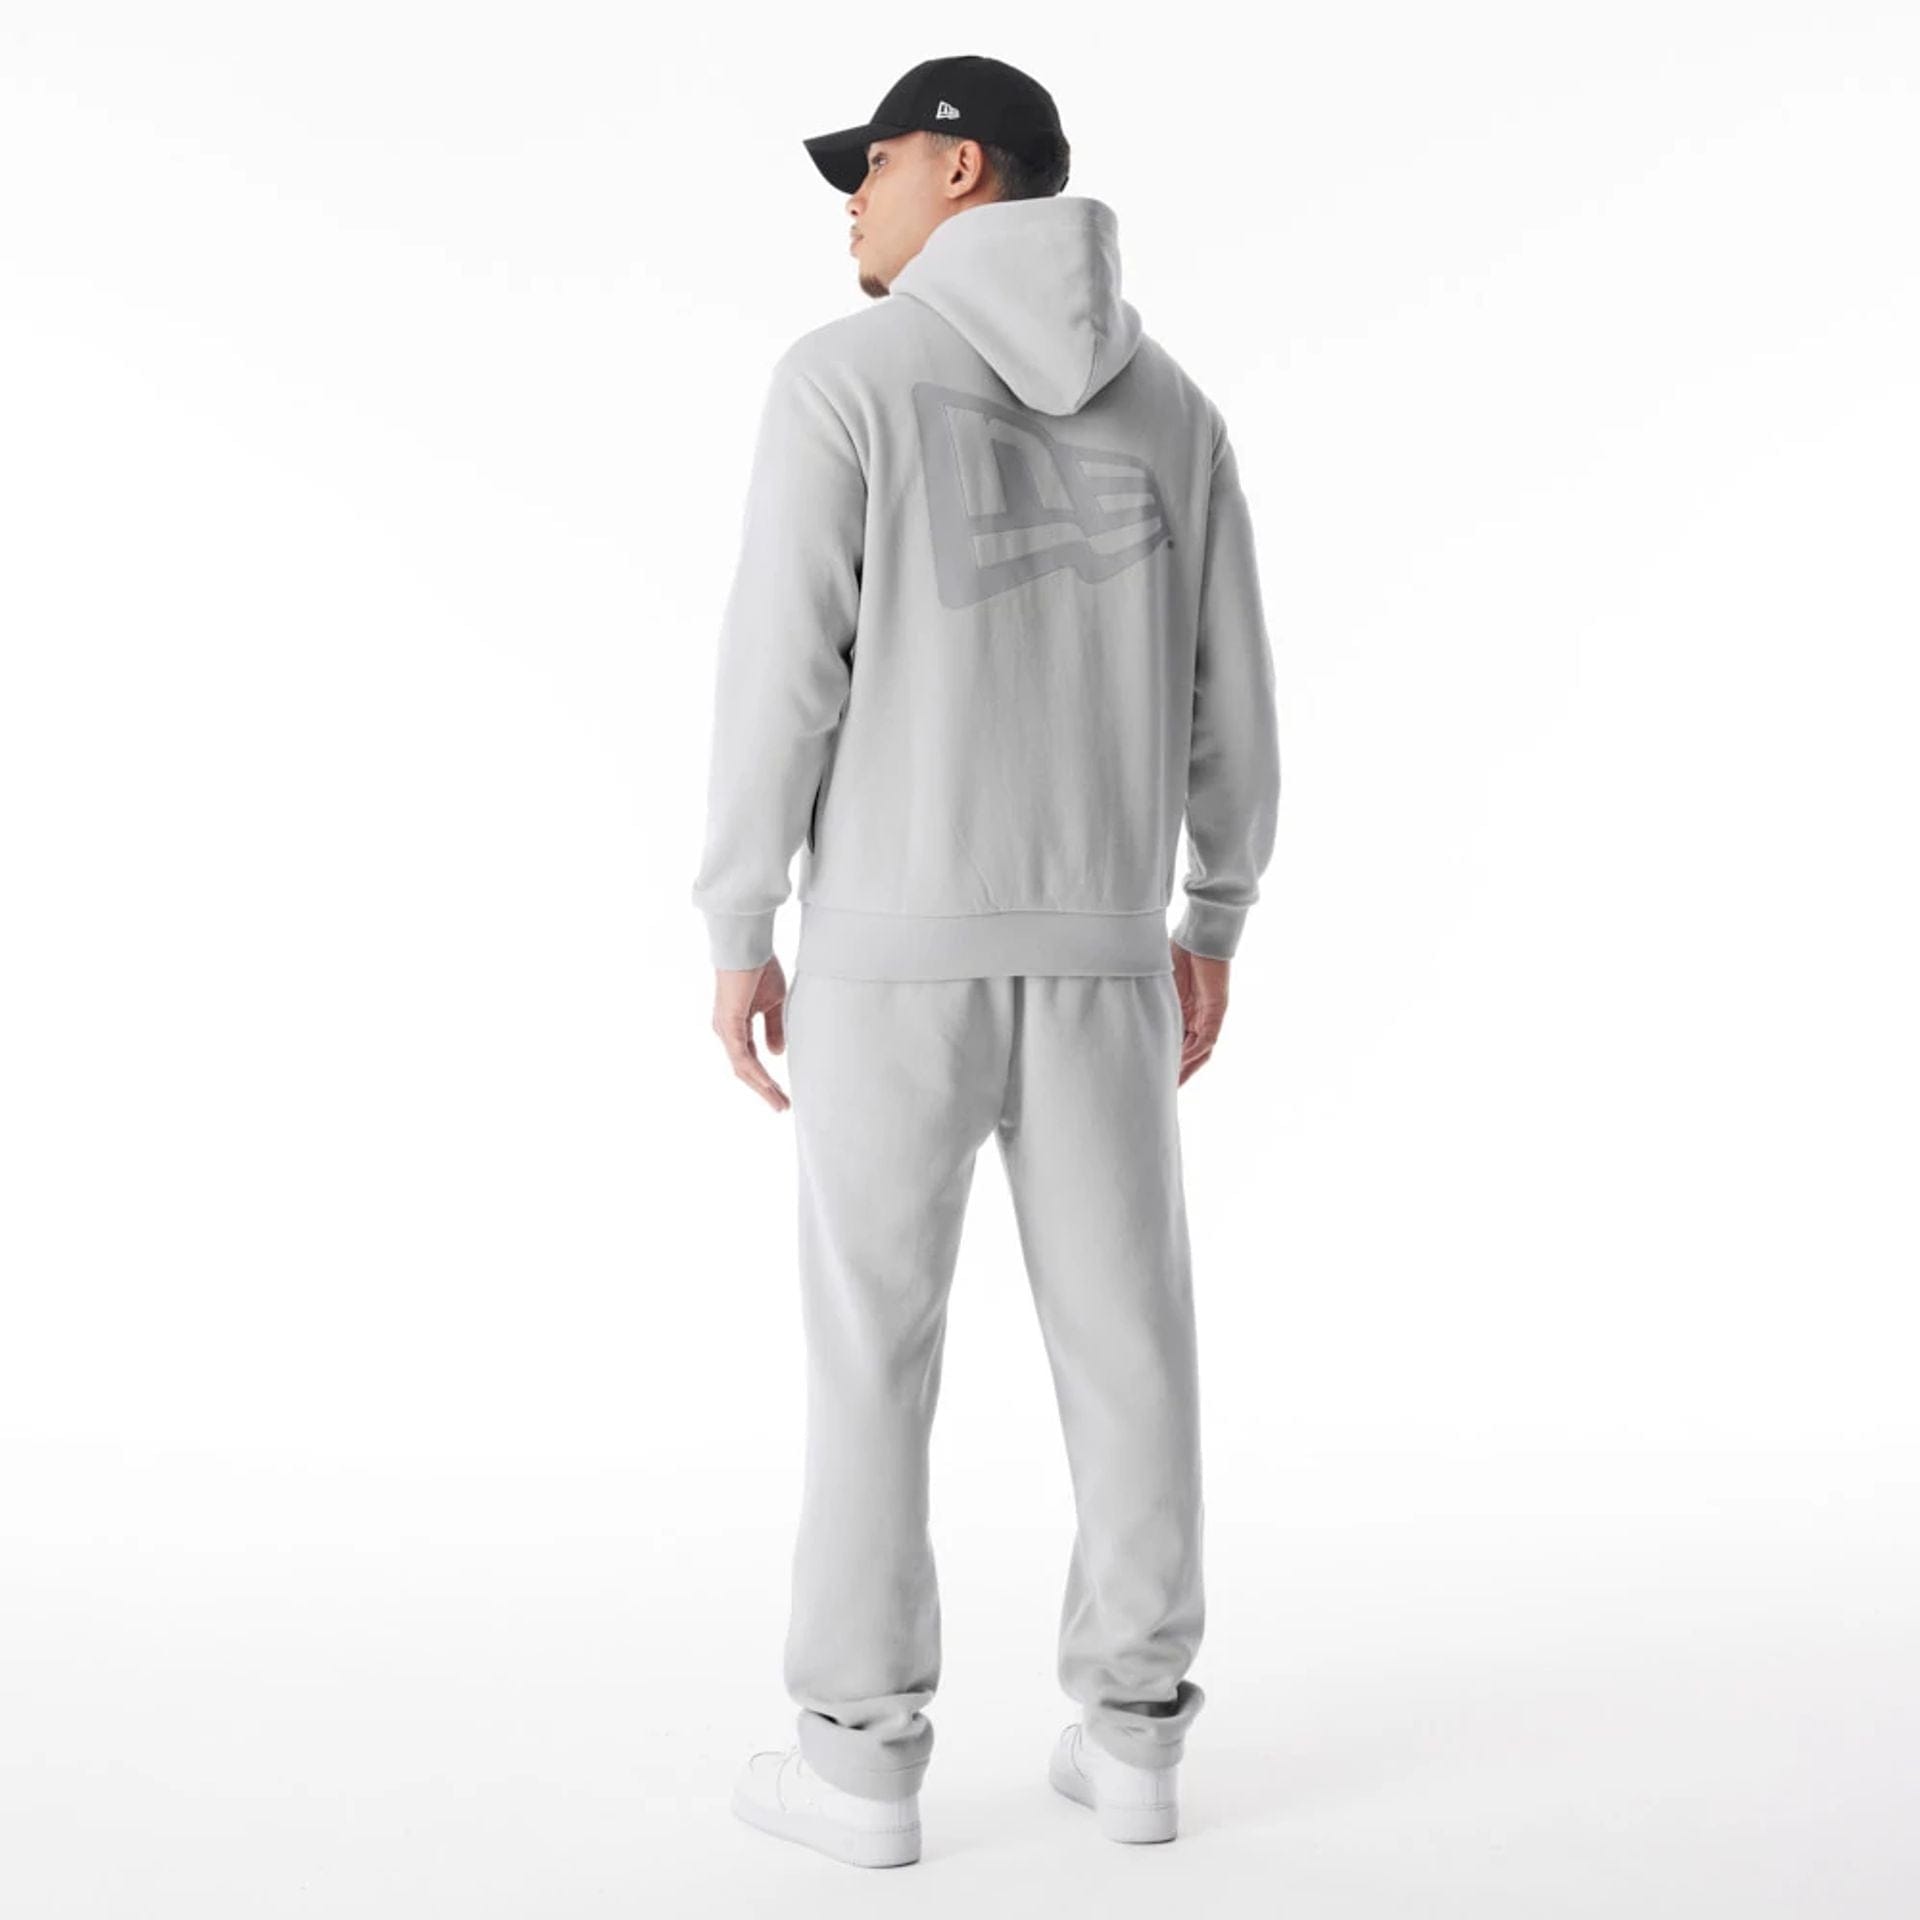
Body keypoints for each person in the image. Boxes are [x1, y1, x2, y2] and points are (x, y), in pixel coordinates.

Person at [691, 53, 1281, 1868]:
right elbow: (1234, 700)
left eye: (867, 166)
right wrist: (1212, 914)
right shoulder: (1176, 410)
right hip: (1103, 961)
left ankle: (861, 1764)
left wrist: (738, 920)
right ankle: (1138, 1739)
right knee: (1132, 1344)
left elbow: (783, 675)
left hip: (891, 960)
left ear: (958, 165)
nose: (847, 206)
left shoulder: (842, 379)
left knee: (875, 1352)